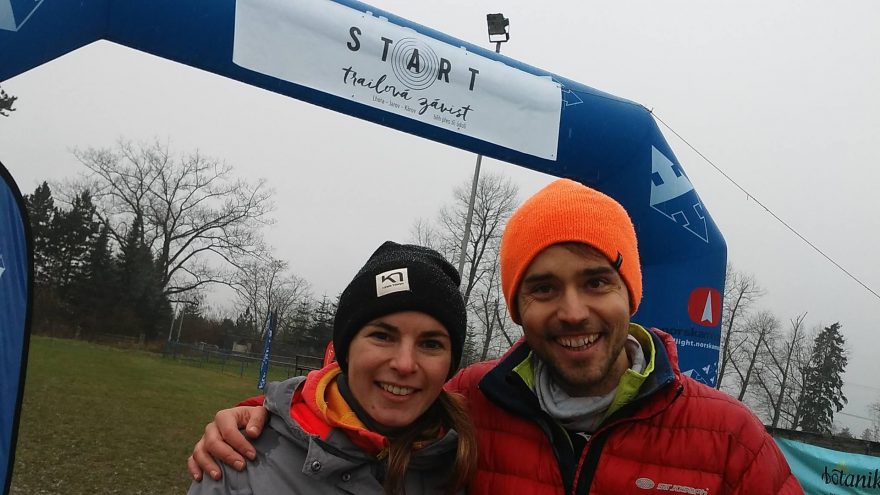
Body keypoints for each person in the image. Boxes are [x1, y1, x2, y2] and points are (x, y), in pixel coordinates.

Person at [189, 179, 803, 494]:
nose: (573, 312)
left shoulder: (730, 438)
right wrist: (255, 414)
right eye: (543, 288)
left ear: (630, 294)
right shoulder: (470, 403)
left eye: (596, 281)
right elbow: (351, 407)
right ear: (516, 308)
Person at [187, 241, 477, 495]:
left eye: (431, 344)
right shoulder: (239, 459)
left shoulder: (460, 465)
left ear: (450, 364)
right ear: (346, 349)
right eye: (382, 336)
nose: (404, 364)